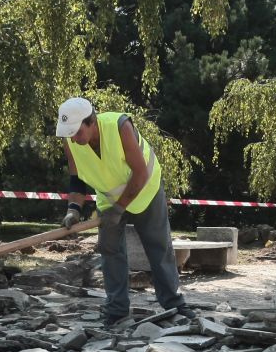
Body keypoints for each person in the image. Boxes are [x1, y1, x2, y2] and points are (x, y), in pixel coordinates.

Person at [54, 97, 194, 327]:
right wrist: (74, 209)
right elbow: (76, 179)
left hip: (145, 190)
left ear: (91, 122)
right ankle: (116, 310)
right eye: (70, 134)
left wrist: (119, 209)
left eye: (78, 132)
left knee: (158, 246)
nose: (74, 138)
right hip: (109, 198)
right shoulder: (71, 140)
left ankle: (175, 305)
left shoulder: (120, 127)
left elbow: (140, 173)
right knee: (110, 251)